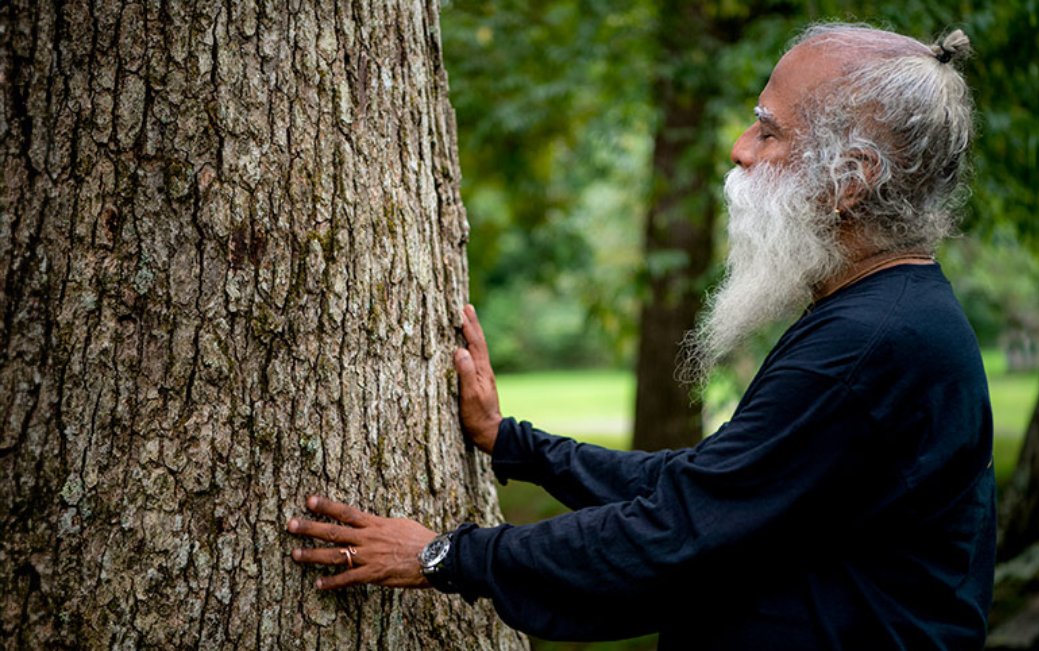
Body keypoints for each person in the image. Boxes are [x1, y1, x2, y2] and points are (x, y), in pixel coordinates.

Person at [286, 23, 995, 649]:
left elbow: (676, 531)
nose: (740, 148)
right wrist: (513, 444)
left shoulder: (873, 344)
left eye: (769, 130)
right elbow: (712, 487)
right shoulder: (884, 314)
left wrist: (445, 556)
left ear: (853, 179)